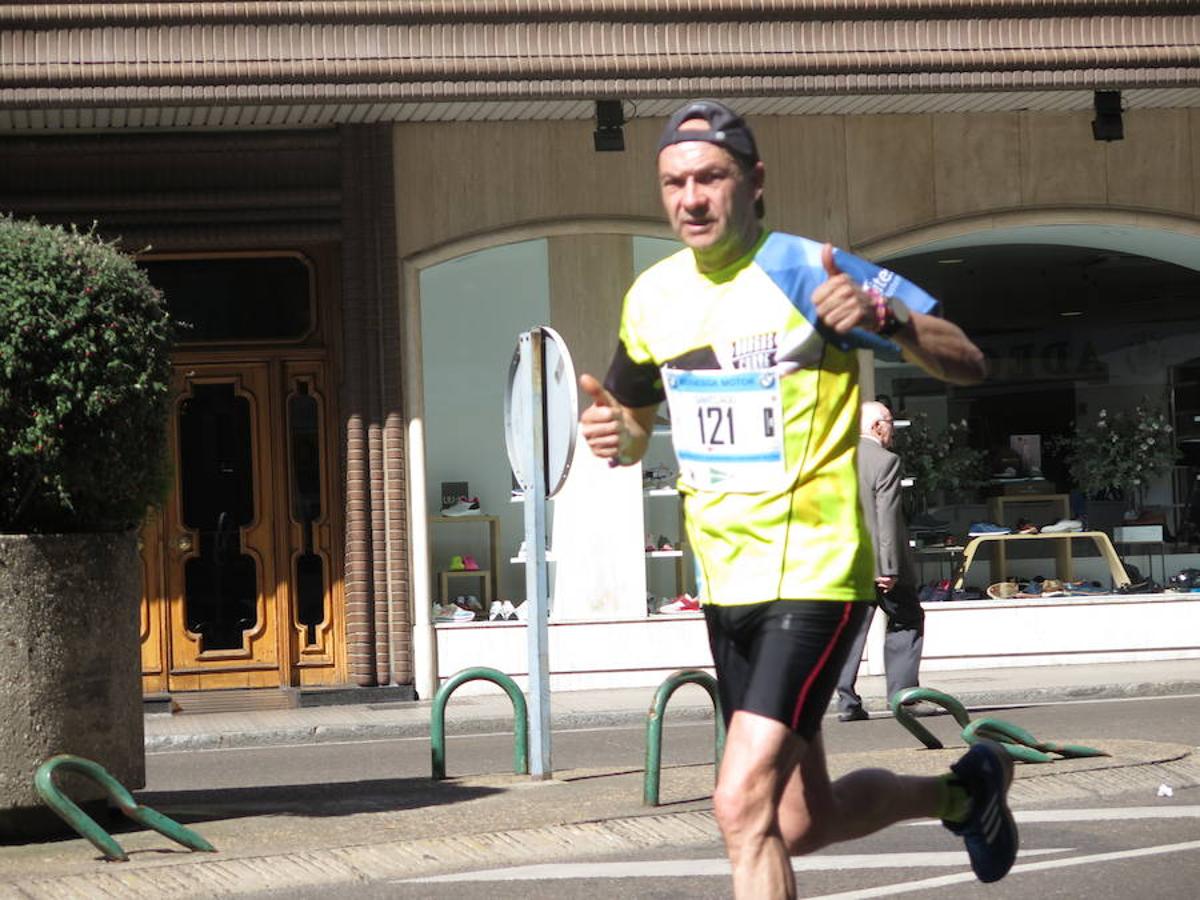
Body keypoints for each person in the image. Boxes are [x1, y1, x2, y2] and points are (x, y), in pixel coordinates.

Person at [577, 99, 1012, 899]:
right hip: (725, 586)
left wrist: (891, 319)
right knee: (800, 823)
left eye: (711, 177)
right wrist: (615, 438)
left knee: (739, 804)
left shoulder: (808, 268)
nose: (691, 199)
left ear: (755, 182)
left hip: (812, 576)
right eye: (674, 182)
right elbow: (634, 426)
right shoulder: (653, 297)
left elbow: (969, 360)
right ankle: (964, 792)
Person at [835, 400, 925, 722]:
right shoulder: (885, 461)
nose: (892, 430)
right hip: (881, 565)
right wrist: (887, 568)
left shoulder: (835, 459)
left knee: (851, 631)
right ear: (877, 427)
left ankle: (846, 702)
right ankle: (903, 698)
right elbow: (885, 517)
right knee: (906, 620)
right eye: (890, 422)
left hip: (845, 563)